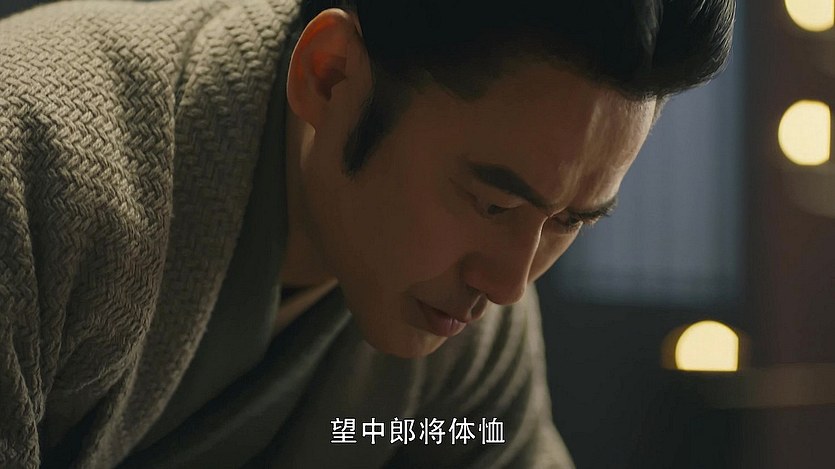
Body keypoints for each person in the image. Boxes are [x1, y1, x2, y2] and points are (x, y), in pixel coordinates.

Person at [0, 0, 734, 467]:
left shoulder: (464, 350)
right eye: (491, 204)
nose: (509, 284)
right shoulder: (37, 175)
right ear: (330, 77)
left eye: (569, 220)